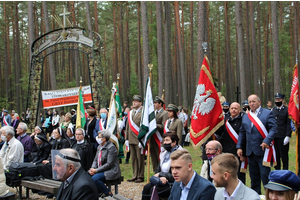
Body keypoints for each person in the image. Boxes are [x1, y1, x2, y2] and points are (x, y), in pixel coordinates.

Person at [237, 94, 277, 194]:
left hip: (263, 151)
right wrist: (239, 147)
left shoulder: (267, 113)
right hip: (250, 151)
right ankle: (256, 195)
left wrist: (267, 141)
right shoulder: (246, 117)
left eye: (254, 101)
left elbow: (274, 129)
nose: (251, 104)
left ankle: (269, 195)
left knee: (265, 176)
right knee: (253, 177)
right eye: (250, 102)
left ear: (259, 102)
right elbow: (242, 133)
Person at [142, 132, 182, 200]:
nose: (165, 143)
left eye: (167, 140)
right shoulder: (164, 153)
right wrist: (160, 178)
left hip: (173, 183)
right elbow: (158, 170)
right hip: (161, 181)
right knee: (146, 187)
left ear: (174, 142)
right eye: (164, 140)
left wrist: (161, 175)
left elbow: (177, 175)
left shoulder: (180, 154)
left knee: (154, 190)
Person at [215, 102, 246, 183]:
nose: (233, 110)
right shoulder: (225, 119)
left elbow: (245, 137)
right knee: (227, 172)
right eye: (232, 108)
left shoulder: (243, 120)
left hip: (239, 151)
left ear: (240, 109)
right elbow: (220, 132)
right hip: (227, 150)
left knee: (240, 173)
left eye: (236, 108)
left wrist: (243, 151)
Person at [89, 130, 121, 197]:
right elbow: (95, 160)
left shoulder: (111, 148)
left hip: (111, 171)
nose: (97, 138)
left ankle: (107, 193)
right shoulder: (99, 146)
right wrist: (93, 168)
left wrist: (96, 170)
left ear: (104, 139)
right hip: (101, 169)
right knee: (87, 175)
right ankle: (95, 193)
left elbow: (109, 164)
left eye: (99, 137)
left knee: (95, 178)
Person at [125, 95, 144, 183]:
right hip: (131, 138)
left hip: (138, 138)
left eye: (136, 101)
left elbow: (144, 127)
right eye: (133, 101)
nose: (134, 102)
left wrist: (142, 139)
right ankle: (134, 174)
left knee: (140, 158)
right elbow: (128, 126)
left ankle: (140, 175)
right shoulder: (130, 112)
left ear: (140, 103)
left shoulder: (143, 112)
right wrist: (126, 139)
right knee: (133, 158)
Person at [272, 93, 291, 170]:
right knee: (276, 156)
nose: (277, 101)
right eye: (276, 100)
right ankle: (277, 171)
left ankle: (285, 171)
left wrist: (288, 135)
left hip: (283, 137)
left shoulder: (287, 110)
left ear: (282, 100)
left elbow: (288, 124)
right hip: (274, 137)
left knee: (284, 156)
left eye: (279, 99)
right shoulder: (273, 110)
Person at [151, 96, 168, 171]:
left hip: (159, 138)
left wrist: (154, 125)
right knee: (153, 156)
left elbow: (164, 126)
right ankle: (155, 171)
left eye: (155, 103)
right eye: (154, 103)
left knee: (160, 156)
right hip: (152, 138)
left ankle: (160, 171)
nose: (154, 104)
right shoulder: (153, 113)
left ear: (160, 104)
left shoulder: (165, 113)